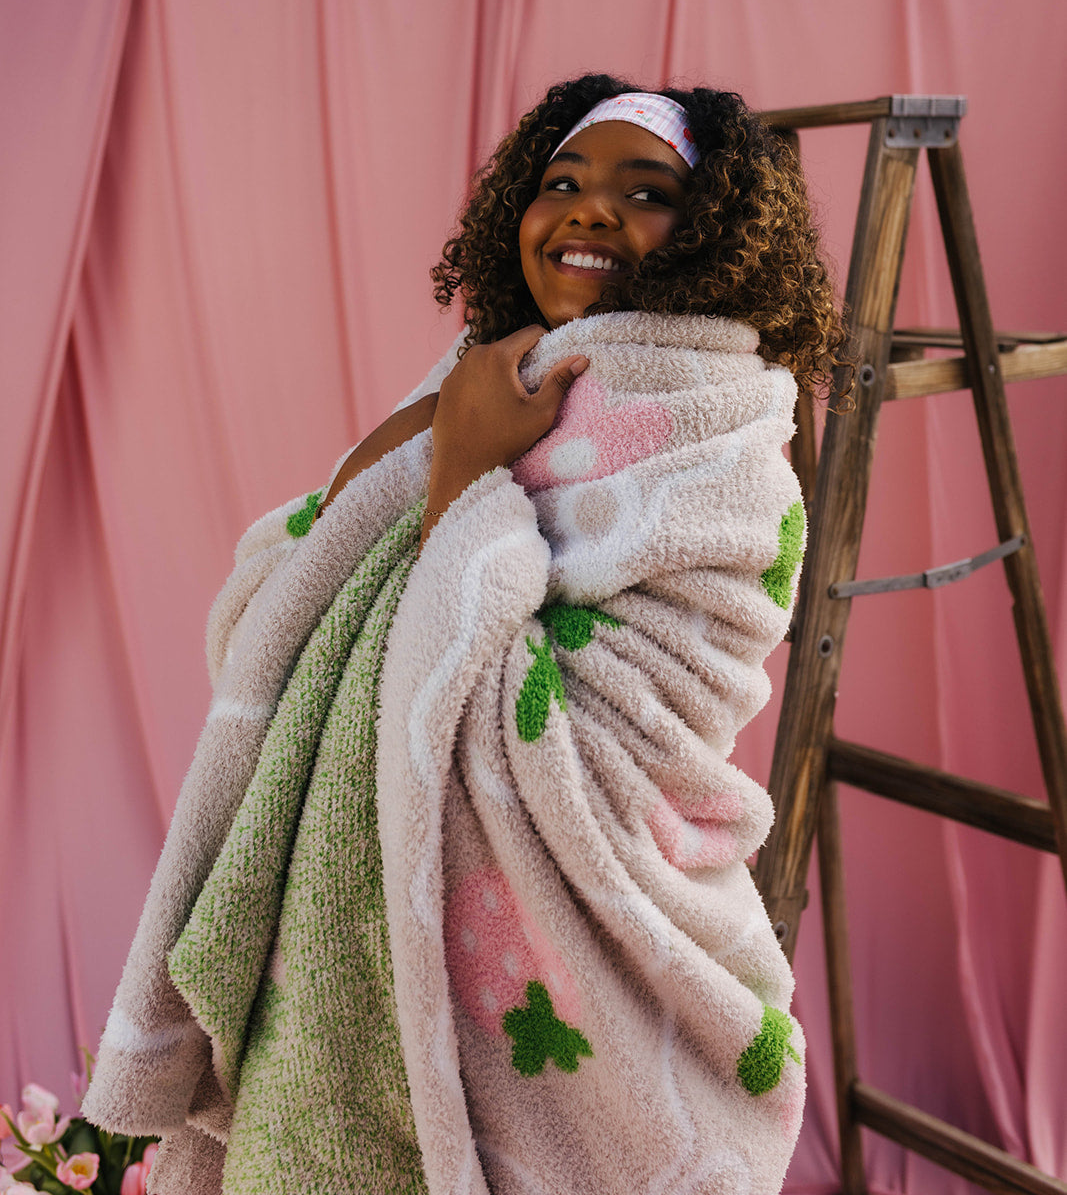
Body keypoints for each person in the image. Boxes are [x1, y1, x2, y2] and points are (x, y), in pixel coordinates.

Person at [86, 76, 847, 1195]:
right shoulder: (488, 374)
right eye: (562, 182)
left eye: (646, 192)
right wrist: (459, 439)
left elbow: (607, 738)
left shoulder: (715, 439)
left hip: (583, 898)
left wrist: (463, 479)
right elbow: (302, 575)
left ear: (716, 236)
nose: (591, 209)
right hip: (366, 902)